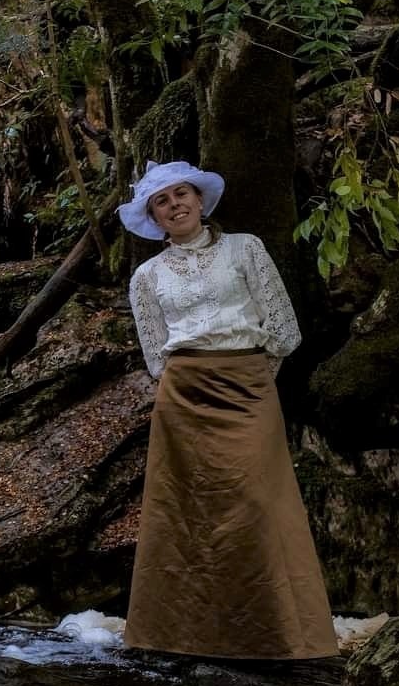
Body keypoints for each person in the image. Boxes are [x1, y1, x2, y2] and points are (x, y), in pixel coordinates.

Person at [120, 161, 337, 660]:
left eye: (181, 195)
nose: (175, 205)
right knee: (185, 513)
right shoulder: (145, 276)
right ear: (154, 217)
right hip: (184, 395)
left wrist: (254, 376)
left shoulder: (246, 248)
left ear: (199, 201)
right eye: (162, 201)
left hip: (248, 384)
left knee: (258, 503)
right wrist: (193, 377)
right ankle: (180, 637)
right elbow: (156, 355)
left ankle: (277, 637)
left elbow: (283, 327)